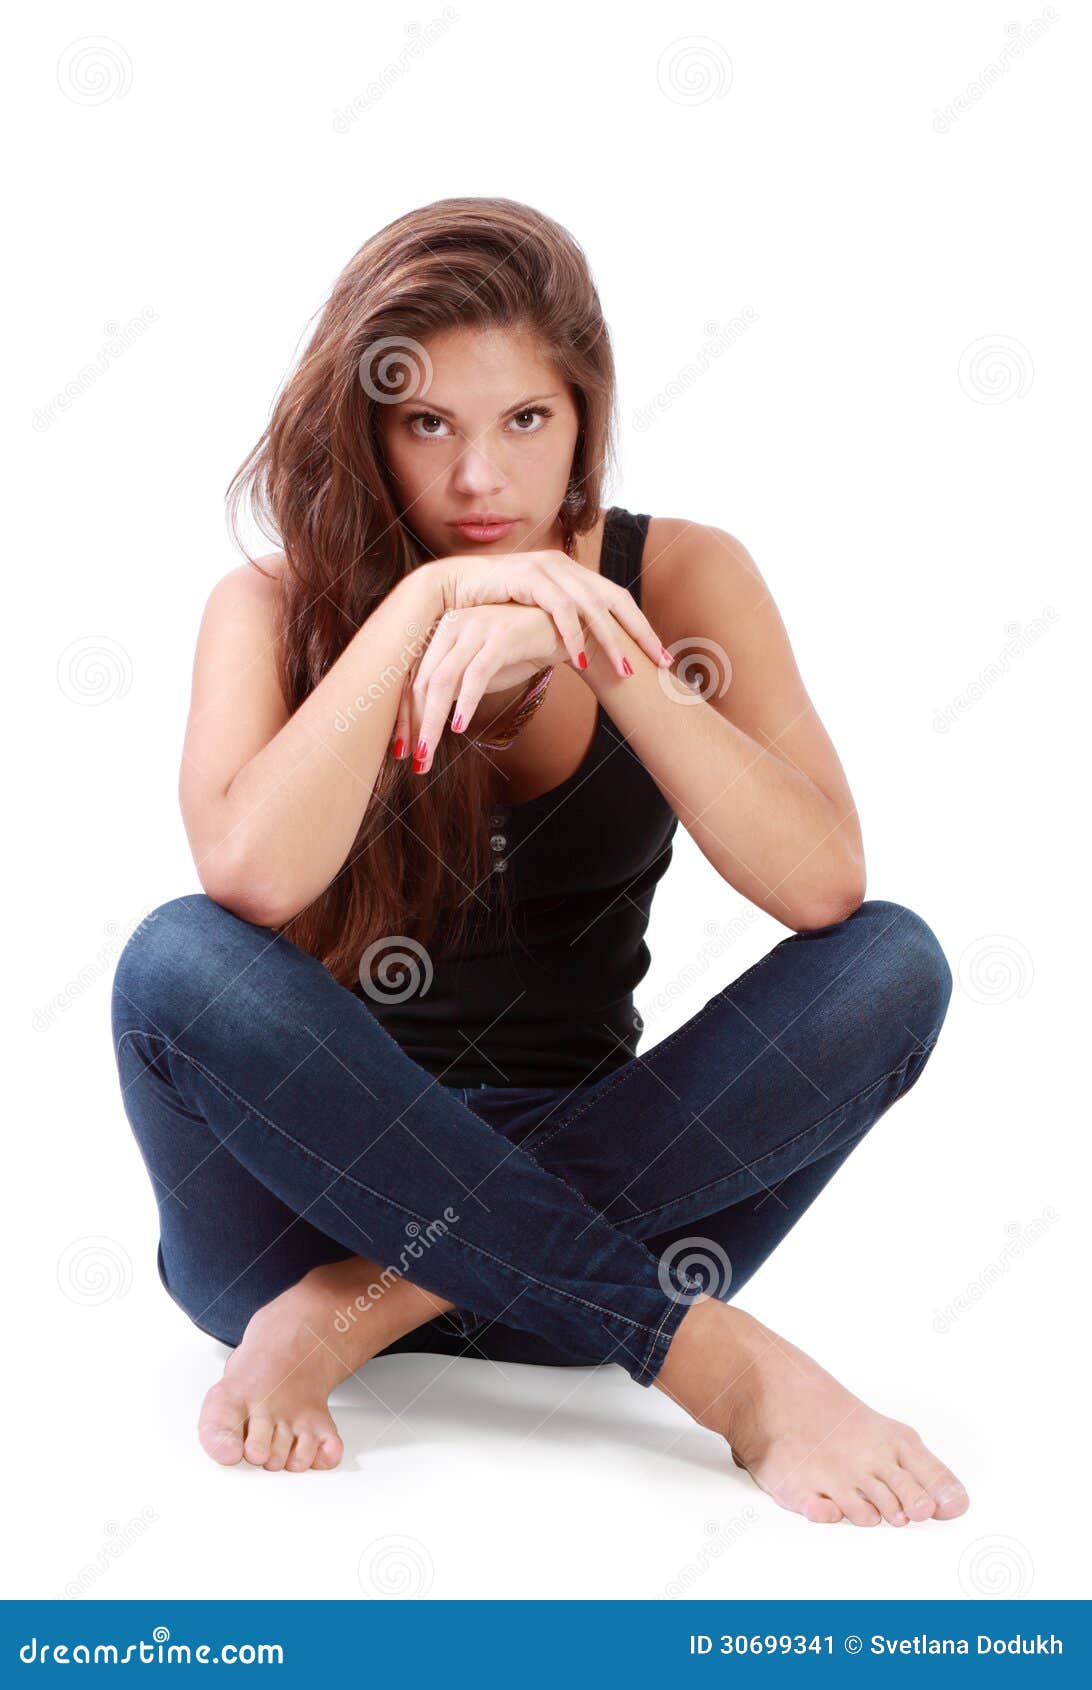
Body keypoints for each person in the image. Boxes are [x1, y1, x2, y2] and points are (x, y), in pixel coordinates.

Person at [110, 196, 968, 1529]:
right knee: (175, 958)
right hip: (295, 1219)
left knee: (893, 964)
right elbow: (254, 880)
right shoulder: (271, 606)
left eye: (525, 422)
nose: (478, 483)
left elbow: (822, 886)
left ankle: (359, 1313)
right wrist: (423, 606)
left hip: (609, 1195)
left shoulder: (679, 576)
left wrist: (600, 646)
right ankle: (712, 1362)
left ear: (584, 420)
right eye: (426, 423)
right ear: (367, 426)